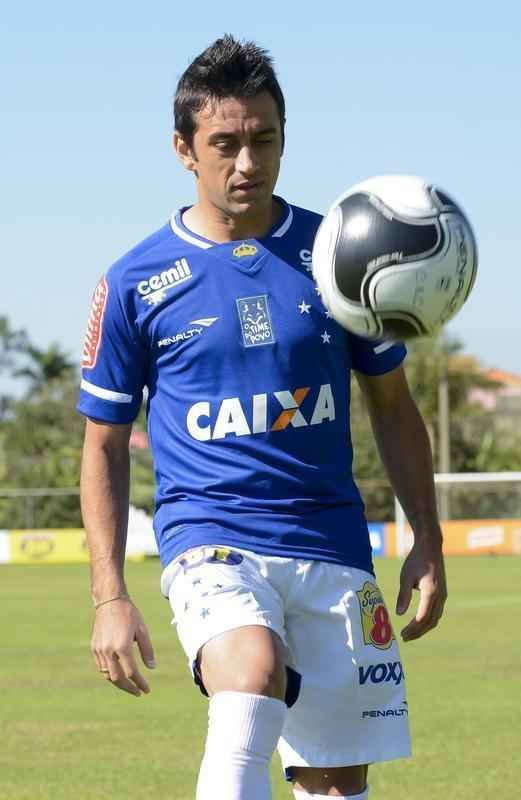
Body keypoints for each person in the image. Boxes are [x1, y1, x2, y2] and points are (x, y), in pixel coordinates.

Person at [78, 34, 447, 800]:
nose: (247, 162)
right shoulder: (136, 281)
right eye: (224, 144)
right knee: (251, 671)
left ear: (283, 138)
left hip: (330, 541)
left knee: (335, 781)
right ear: (183, 149)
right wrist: (110, 594)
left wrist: (426, 538)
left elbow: (391, 403)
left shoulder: (342, 255)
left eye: (264, 140)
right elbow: (103, 444)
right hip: (210, 538)